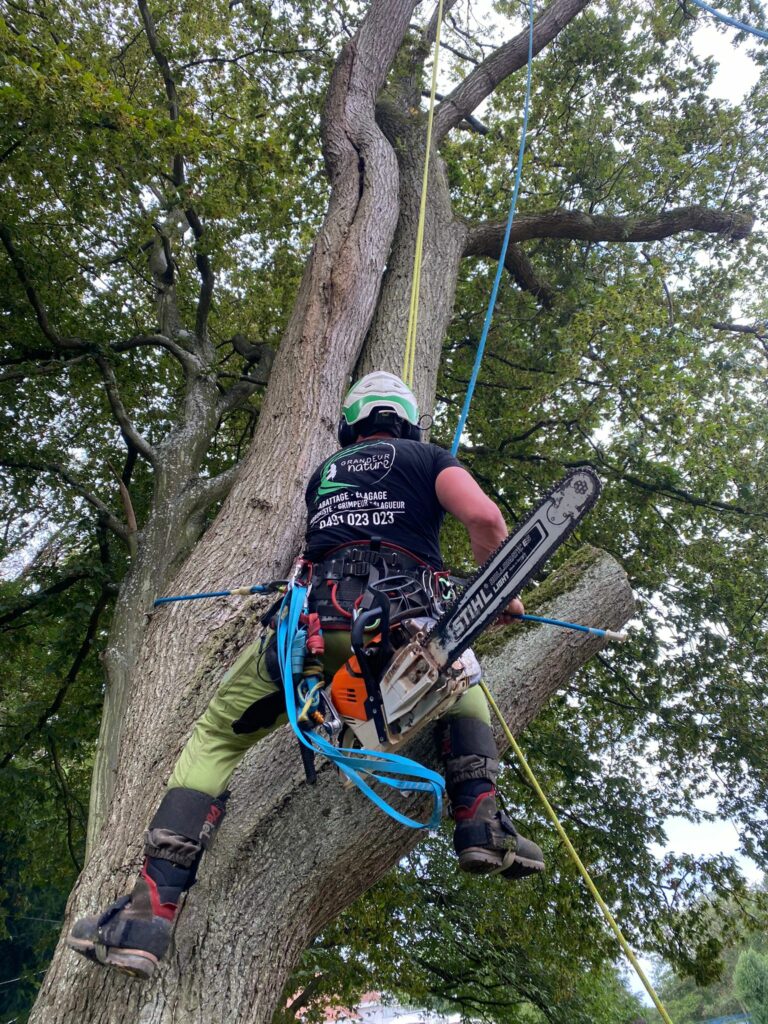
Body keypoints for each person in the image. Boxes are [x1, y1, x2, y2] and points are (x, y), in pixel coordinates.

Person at [67, 371, 544, 980]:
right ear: (408, 421)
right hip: (404, 624)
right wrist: (497, 590)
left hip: (314, 633)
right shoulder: (428, 458)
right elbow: (486, 518)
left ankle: (147, 915)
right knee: (462, 683)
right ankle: (480, 822)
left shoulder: (327, 474)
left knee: (216, 735)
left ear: (351, 423)